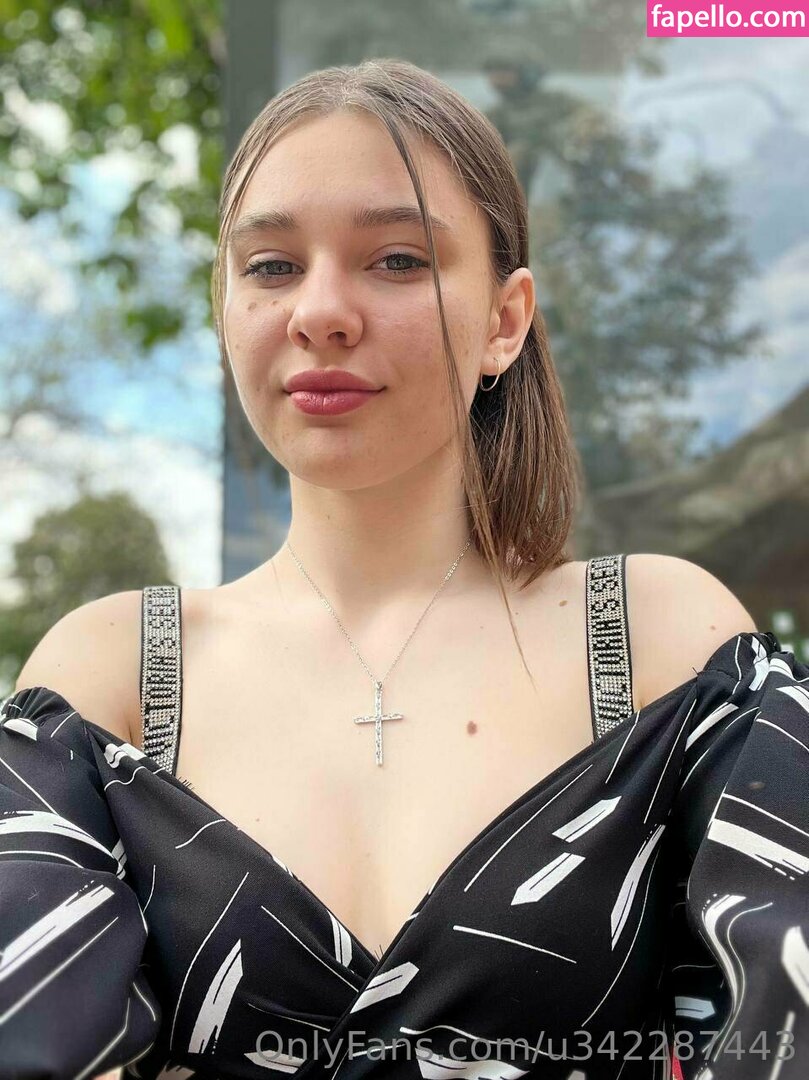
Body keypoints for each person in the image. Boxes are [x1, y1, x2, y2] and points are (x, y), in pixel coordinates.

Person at [1, 58, 806, 1080]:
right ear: (225, 309)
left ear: (504, 321)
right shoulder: (112, 680)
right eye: (270, 266)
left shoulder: (659, 645)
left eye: (394, 259)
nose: (320, 311)